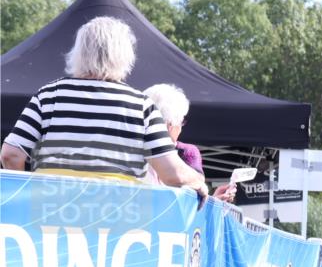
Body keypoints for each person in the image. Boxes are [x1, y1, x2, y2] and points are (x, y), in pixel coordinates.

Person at [1, 16, 207, 198]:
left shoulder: (47, 96)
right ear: (125, 56)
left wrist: (25, 198)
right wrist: (198, 181)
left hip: (48, 220)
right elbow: (172, 174)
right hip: (118, 227)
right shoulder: (142, 106)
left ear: (78, 52)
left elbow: (10, 154)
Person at [143, 84, 236, 202]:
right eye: (181, 122)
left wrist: (213, 201)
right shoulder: (177, 153)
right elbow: (177, 184)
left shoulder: (129, 145)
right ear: (169, 125)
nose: (181, 129)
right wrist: (200, 185)